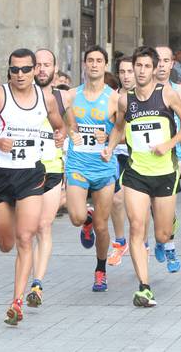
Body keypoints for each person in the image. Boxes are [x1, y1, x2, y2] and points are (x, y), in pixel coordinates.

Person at [0, 48, 64, 325]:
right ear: (8, 70)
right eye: (15, 69)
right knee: (5, 243)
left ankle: (16, 301)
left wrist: (59, 136)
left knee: (26, 237)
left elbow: (60, 125)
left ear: (36, 70)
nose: (20, 74)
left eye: (26, 69)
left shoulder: (46, 98)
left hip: (30, 176)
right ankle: (7, 226)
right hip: (0, 175)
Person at [102, 46, 181, 307]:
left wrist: (170, 143)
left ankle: (168, 230)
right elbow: (120, 127)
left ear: (154, 70)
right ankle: (144, 287)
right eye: (135, 67)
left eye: (144, 66)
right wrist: (109, 146)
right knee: (137, 227)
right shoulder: (124, 100)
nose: (139, 72)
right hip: (136, 173)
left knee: (162, 234)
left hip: (164, 172)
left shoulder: (166, 94)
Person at [66, 45, 119, 292]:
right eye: (90, 60)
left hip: (104, 168)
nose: (94, 64)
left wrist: (108, 138)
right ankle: (85, 218)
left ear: (105, 65)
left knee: (102, 225)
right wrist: (68, 133)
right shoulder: (70, 95)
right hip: (77, 164)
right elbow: (60, 125)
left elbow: (126, 135)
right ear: (84, 64)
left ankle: (101, 269)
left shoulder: (115, 98)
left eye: (99, 60)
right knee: (77, 217)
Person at [24, 48, 72, 308]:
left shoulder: (62, 99)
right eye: (38, 65)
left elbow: (72, 130)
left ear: (55, 68)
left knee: (43, 226)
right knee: (26, 230)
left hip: (52, 169)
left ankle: (37, 283)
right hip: (24, 169)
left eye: (47, 64)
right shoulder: (20, 97)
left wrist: (63, 136)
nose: (42, 69)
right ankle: (26, 277)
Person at [154, 45, 181, 272]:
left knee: (166, 208)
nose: (161, 65)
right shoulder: (139, 90)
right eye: (157, 60)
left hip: (173, 157)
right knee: (152, 206)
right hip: (143, 157)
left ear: (172, 64)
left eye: (166, 60)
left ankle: (169, 245)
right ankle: (161, 237)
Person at [107, 56, 136, 267]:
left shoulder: (144, 97)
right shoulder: (111, 97)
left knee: (138, 206)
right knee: (116, 200)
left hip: (138, 155)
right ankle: (120, 242)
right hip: (115, 153)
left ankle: (141, 240)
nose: (126, 76)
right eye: (122, 72)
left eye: (130, 71)